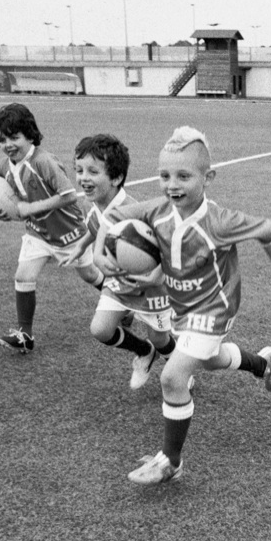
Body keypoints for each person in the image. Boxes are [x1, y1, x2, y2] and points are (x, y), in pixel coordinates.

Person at [95, 126, 271, 485]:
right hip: (183, 307)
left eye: (183, 176)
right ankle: (260, 363)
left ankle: (170, 461)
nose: (172, 185)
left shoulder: (218, 222)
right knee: (209, 359)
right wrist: (100, 251)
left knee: (173, 377)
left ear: (208, 178)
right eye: (164, 176)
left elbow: (269, 230)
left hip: (215, 308)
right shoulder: (157, 211)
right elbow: (111, 218)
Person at [0, 102, 104, 354]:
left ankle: (121, 304)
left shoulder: (44, 161)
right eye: (2, 139)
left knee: (90, 275)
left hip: (70, 233)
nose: (8, 144)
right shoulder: (3, 167)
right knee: (23, 276)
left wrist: (30, 208)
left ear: (29, 135)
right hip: (37, 234)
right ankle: (25, 335)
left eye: (14, 137)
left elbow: (70, 195)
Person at [64, 134, 176, 389]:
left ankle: (176, 368)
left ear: (115, 178)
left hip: (151, 286)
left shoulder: (135, 214)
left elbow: (168, 247)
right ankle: (143, 352)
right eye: (79, 170)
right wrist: (80, 248)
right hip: (118, 283)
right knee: (100, 330)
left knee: (160, 338)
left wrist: (157, 274)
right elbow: (95, 228)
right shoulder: (95, 206)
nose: (83, 178)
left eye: (93, 171)